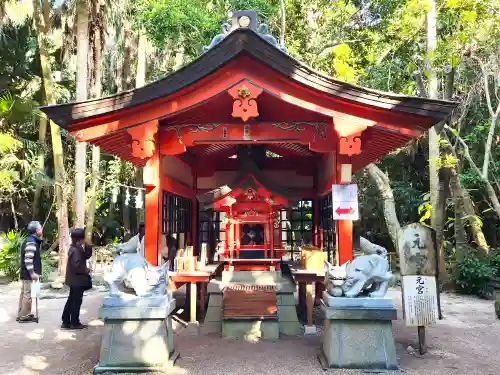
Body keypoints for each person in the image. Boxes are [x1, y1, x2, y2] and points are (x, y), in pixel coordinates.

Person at [61, 228, 92, 330]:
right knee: (76, 301)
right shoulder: (75, 250)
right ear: (80, 239)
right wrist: (86, 270)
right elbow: (77, 265)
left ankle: (66, 321)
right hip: (77, 280)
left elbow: (86, 256)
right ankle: (74, 322)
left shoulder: (76, 248)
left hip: (74, 280)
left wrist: (88, 246)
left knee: (71, 300)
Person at [17, 221, 43, 323]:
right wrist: (32, 273)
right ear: (36, 231)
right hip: (28, 273)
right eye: (40, 228)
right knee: (27, 294)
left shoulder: (29, 240)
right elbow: (28, 259)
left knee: (24, 293)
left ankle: (22, 313)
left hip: (25, 272)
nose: (41, 230)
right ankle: (24, 316)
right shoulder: (32, 241)